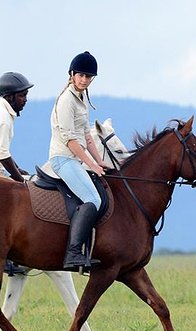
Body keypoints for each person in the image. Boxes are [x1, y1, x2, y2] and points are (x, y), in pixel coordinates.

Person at [49, 51, 112, 272]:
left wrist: (99, 161)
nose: (84, 80)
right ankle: (73, 253)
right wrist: (91, 165)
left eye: (88, 76)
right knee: (92, 199)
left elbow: (87, 135)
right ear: (72, 74)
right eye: (81, 75)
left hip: (76, 159)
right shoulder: (67, 100)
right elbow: (70, 140)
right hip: (63, 158)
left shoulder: (82, 98)